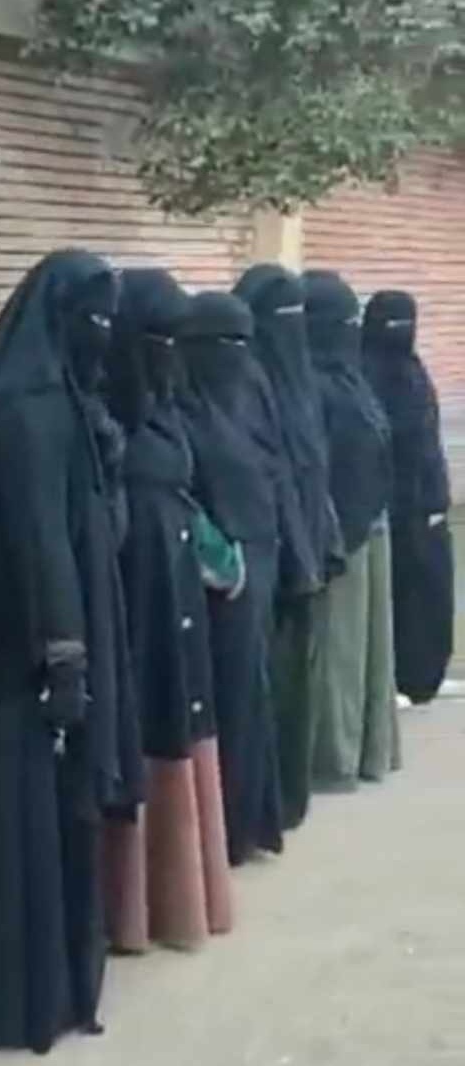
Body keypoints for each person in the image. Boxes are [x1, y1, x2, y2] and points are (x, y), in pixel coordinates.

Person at [0, 249, 141, 1053]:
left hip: (46, 642)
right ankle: (20, 996)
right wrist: (64, 657)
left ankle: (45, 981)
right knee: (26, 817)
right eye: (92, 319)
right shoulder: (28, 412)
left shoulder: (63, 403)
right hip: (22, 658)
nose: (103, 334)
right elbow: (41, 542)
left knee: (50, 819)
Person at [102, 268, 233, 953]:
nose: (171, 354)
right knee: (142, 728)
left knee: (179, 721)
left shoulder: (163, 411)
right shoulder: (103, 423)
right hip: (130, 610)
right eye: (159, 339)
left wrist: (217, 557)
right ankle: (129, 914)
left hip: (176, 602)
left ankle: (180, 903)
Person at [176, 292, 290, 867]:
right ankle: (216, 832)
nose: (238, 355)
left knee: (250, 696)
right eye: (227, 344)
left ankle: (246, 824)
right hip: (214, 578)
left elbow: (274, 466)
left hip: (259, 560)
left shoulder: (250, 390)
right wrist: (221, 557)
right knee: (221, 698)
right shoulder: (180, 406)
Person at [234, 264, 340, 829]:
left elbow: (312, 466)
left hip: (306, 551)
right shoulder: (243, 379)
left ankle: (290, 796)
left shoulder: (298, 379)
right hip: (267, 557)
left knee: (297, 683)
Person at [302, 271, 398, 789]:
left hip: (371, 523)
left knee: (371, 650)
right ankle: (335, 758)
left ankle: (371, 749)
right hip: (338, 529)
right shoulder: (307, 385)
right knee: (340, 650)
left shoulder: (348, 377)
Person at [363, 290, 453, 705]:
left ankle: (425, 677)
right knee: (398, 594)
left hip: (428, 503)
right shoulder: (367, 373)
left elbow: (427, 440)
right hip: (393, 506)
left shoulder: (413, 368)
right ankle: (397, 677)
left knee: (431, 591)